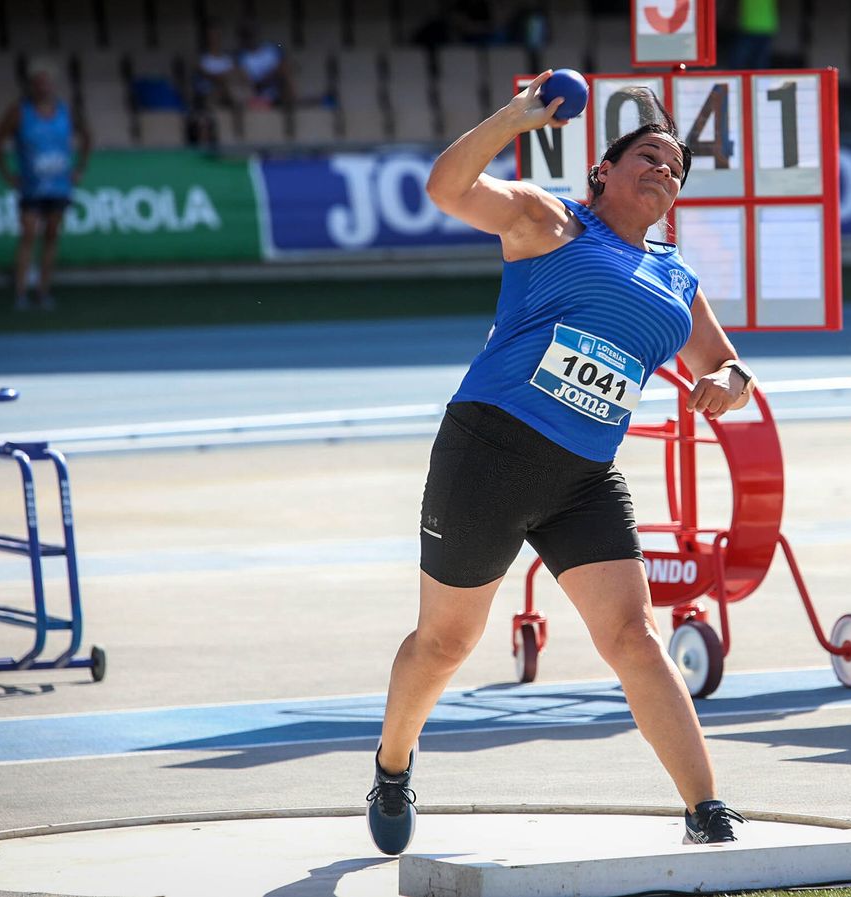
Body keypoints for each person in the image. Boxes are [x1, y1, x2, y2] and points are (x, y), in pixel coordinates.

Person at [366, 74, 754, 856]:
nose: (665, 173)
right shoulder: (552, 222)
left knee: (635, 637)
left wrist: (726, 383)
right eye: (649, 156)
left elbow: (733, 368)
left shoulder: (677, 277)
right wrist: (516, 117)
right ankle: (393, 764)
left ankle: (707, 808)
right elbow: (447, 187)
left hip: (583, 478)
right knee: (445, 642)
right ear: (603, 171)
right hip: (490, 451)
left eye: (676, 168)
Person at [0, 59, 90, 312]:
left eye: (47, 83)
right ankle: (21, 292)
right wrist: (6, 174)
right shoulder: (20, 111)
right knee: (28, 234)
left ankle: (43, 291)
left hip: (59, 185)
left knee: (52, 236)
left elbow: (87, 136)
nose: (43, 88)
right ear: (31, 86)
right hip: (32, 186)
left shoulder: (65, 111)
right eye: (38, 83)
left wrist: (79, 169)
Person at [234, 19, 293, 109]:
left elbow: (283, 67)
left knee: (286, 73)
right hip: (256, 95)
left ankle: (291, 106)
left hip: (277, 92)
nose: (252, 37)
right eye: (248, 34)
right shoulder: (242, 56)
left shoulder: (271, 49)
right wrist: (269, 76)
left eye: (254, 32)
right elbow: (248, 80)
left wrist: (274, 74)